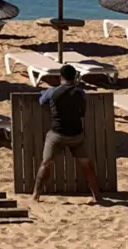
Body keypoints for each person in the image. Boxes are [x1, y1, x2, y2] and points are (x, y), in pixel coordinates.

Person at [33, 64, 100, 204]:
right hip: (76, 135)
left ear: (60, 77)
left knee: (46, 163)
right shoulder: (80, 93)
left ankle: (35, 195)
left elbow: (41, 101)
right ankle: (97, 196)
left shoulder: (53, 91)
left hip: (57, 134)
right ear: (75, 77)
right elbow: (82, 112)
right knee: (87, 165)